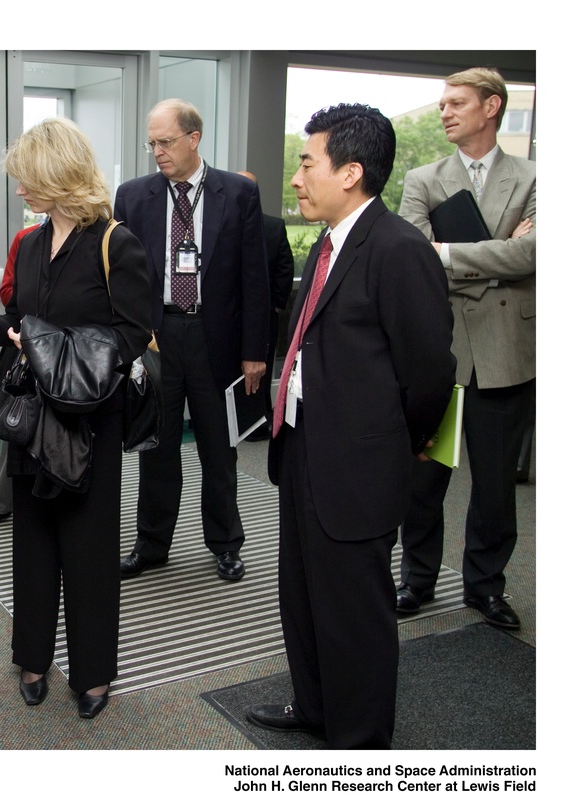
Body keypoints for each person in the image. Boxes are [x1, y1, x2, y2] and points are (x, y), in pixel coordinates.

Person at [244, 104, 455, 748]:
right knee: (304, 596)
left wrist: (400, 442)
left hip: (360, 465)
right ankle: (316, 707)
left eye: (308, 164)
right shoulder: (326, 245)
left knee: (355, 615)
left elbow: (429, 375)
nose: (299, 179)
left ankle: (359, 746)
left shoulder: (397, 250)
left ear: (352, 172)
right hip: (305, 447)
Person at [0, 118, 151, 719]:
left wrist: (53, 346)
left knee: (89, 545)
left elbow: (133, 334)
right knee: (31, 541)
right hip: (33, 419)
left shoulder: (116, 242)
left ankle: (92, 673)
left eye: (27, 179)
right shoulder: (29, 245)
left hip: (89, 418)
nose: (20, 191)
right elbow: (18, 327)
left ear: (58, 175)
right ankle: (32, 657)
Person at [395, 67, 535, 629]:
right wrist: (499, 250)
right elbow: (413, 257)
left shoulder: (535, 177)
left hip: (506, 352)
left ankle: (485, 587)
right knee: (426, 479)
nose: (445, 112)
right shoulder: (423, 178)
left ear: (492, 107)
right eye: (442, 104)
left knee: (497, 486)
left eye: (457, 103)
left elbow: (537, 256)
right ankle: (417, 581)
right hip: (442, 352)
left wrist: (449, 253)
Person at [113, 99, 270, 582]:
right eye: (152, 143)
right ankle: (151, 545)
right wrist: (132, 341)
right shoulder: (133, 196)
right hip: (157, 337)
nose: (157, 152)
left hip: (214, 338)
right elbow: (123, 277)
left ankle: (225, 544)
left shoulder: (238, 193)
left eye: (165, 142)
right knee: (155, 449)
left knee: (218, 450)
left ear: (193, 139)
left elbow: (255, 279)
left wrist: (254, 352)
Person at [0, 224, 39, 530]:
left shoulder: (105, 238)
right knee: (15, 427)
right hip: (25, 348)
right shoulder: (27, 238)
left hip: (69, 360)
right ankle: (1, 503)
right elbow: (8, 292)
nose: (22, 191)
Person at [237, 171, 294, 441]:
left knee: (254, 370)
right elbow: (284, 271)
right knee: (258, 370)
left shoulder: (268, 225)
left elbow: (284, 271)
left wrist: (272, 308)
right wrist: (274, 306)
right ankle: (254, 424)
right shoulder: (272, 225)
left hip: (250, 317)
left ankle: (247, 423)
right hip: (260, 316)